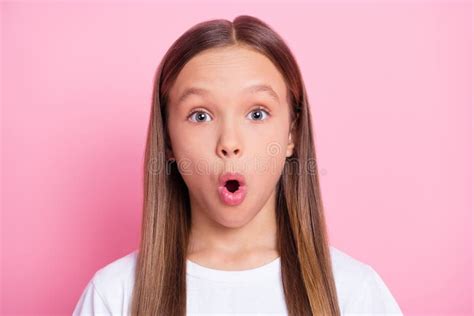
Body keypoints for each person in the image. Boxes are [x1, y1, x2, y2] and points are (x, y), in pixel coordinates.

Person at [73, 15, 403, 316]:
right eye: (200, 116)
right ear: (169, 140)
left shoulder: (355, 295)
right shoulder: (113, 297)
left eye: (257, 113)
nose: (229, 142)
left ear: (292, 133)